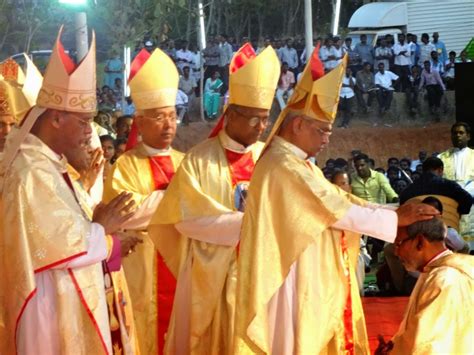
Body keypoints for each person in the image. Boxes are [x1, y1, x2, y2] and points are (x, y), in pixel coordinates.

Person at [232, 50, 438, 354]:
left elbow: (342, 198)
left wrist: (393, 211)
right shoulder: (282, 164)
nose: (327, 138)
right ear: (298, 125)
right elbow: (333, 208)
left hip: (307, 268)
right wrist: (395, 219)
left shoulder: (298, 162)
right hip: (293, 274)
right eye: (322, 130)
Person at [0, 27, 136, 354]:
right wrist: (104, 229)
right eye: (83, 122)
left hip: (64, 299)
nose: (90, 134)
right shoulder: (30, 170)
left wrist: (105, 233)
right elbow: (62, 244)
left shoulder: (48, 163)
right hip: (48, 307)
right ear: (56, 119)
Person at [147, 44, 280, 355]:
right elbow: (187, 220)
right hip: (212, 278)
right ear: (230, 114)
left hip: (262, 275)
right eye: (252, 119)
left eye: (265, 119)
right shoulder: (199, 159)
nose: (261, 127)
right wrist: (251, 225)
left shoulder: (270, 159)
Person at [104, 47, 184, 355]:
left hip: (182, 265)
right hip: (142, 270)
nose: (168, 126)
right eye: (159, 118)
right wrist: (177, 198)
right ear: (140, 120)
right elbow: (126, 213)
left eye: (172, 117)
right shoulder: (125, 164)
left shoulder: (185, 162)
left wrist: (163, 203)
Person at [377, 218, 473, 354]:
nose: (396, 252)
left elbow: (429, 346)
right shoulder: (434, 271)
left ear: (420, 242)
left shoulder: (444, 279)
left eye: (398, 244)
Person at [438, 122, 474, 249]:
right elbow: (438, 180)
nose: (457, 136)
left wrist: (464, 191)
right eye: (454, 133)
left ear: (468, 136)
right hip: (450, 204)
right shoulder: (441, 158)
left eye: (461, 133)